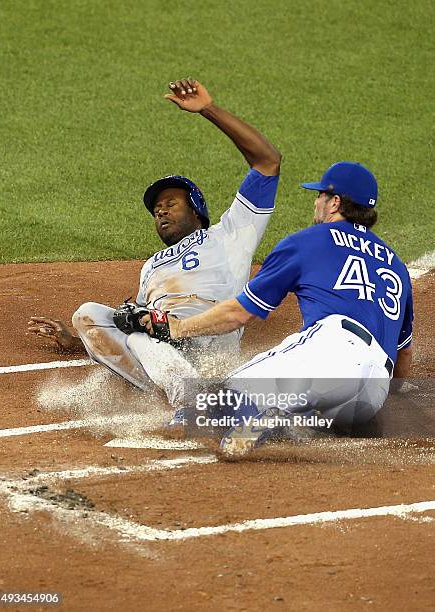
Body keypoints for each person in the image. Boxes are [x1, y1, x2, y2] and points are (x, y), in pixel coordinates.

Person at [28, 78, 281, 411]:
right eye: (156, 207)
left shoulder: (230, 234)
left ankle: (186, 394)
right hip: (163, 351)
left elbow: (268, 162)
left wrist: (208, 109)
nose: (160, 209)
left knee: (146, 334)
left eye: (171, 203)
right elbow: (138, 324)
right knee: (87, 315)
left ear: (197, 209)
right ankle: (176, 395)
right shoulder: (153, 265)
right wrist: (77, 342)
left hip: (206, 340)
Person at [143, 161, 413, 454]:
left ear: (335, 203)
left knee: (213, 401)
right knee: (317, 406)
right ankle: (294, 418)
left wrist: (180, 327)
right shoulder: (396, 265)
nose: (315, 201)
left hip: (330, 352)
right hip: (375, 390)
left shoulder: (309, 241)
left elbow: (238, 313)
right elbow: (404, 354)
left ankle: (269, 419)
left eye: (320, 195)